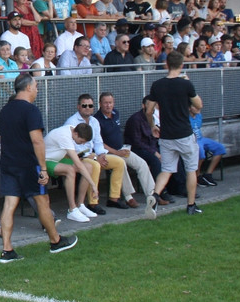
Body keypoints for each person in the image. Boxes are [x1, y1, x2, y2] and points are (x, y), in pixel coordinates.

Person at [0, 74, 77, 263]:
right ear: (28, 88)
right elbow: (37, 140)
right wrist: (42, 168)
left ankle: (7, 250)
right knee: (42, 202)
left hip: (8, 163)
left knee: (9, 204)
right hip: (27, 164)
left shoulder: (5, 110)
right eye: (36, 86)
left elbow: (2, 138)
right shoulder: (31, 110)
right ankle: (55, 241)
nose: (37, 90)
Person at [149, 52, 204, 214]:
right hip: (184, 134)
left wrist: (152, 125)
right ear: (181, 65)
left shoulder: (157, 85)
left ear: (166, 64)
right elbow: (198, 105)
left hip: (166, 134)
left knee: (166, 170)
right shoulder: (185, 84)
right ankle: (191, 205)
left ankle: (154, 195)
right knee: (191, 170)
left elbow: (149, 110)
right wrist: (189, 85)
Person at [95, 92, 157, 217]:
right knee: (121, 164)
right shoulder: (97, 119)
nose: (108, 105)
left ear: (114, 103)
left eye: (110, 102)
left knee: (142, 164)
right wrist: (116, 152)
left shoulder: (116, 113)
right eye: (105, 103)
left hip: (122, 149)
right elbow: (99, 142)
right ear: (100, 104)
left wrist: (122, 149)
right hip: (108, 153)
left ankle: (152, 195)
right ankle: (129, 197)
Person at [43, 122, 99, 222]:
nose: (82, 144)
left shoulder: (73, 130)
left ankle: (80, 205)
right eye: (81, 141)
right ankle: (72, 210)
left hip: (58, 158)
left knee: (89, 166)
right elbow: (78, 164)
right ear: (76, 134)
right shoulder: (64, 136)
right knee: (70, 170)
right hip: (45, 160)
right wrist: (93, 185)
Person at [189, 108, 226, 187]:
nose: (199, 108)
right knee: (201, 152)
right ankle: (197, 176)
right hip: (192, 140)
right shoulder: (185, 117)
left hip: (201, 139)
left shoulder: (198, 116)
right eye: (195, 107)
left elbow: (198, 127)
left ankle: (208, 174)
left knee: (220, 148)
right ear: (189, 108)